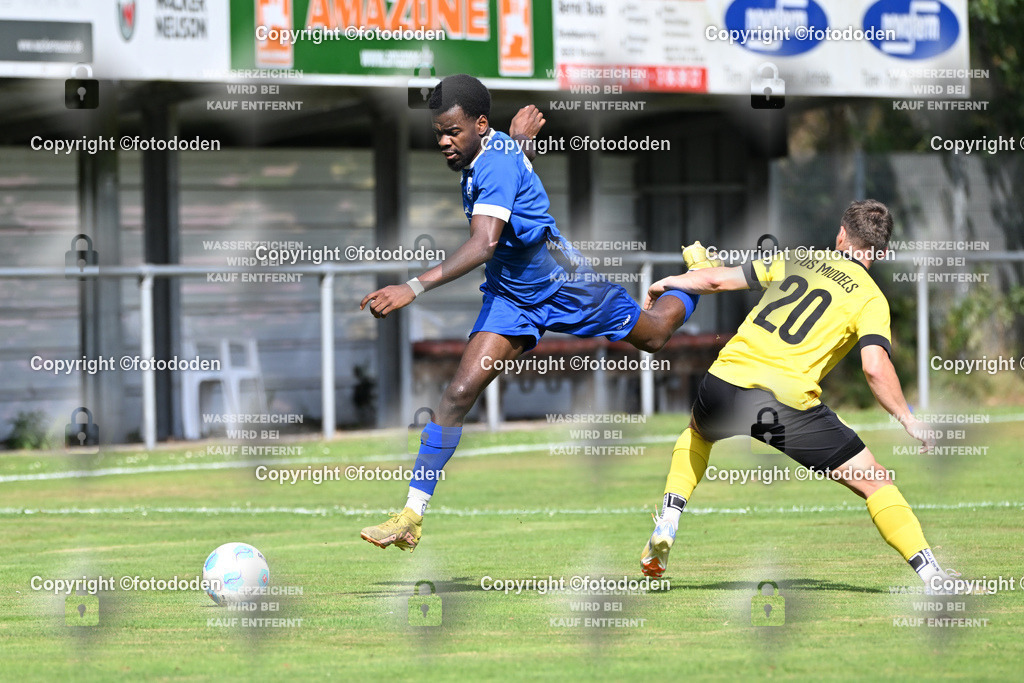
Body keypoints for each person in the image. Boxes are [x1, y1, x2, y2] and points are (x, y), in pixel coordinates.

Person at [359, 74, 700, 551]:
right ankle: (411, 516)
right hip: (511, 299)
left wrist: (412, 287)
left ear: (479, 124)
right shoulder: (492, 151)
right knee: (458, 392)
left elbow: (484, 243)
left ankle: (697, 276)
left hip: (566, 287)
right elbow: (513, 169)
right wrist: (521, 145)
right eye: (437, 131)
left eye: (452, 131)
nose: (442, 142)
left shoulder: (494, 162)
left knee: (658, 334)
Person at [639, 200, 947, 592]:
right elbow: (874, 366)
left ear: (841, 236)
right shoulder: (871, 298)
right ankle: (934, 577)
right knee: (876, 482)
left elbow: (716, 281)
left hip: (727, 381)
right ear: (881, 252)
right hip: (785, 406)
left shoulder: (798, 259)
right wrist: (909, 418)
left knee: (698, 434)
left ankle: (669, 517)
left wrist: (672, 282)